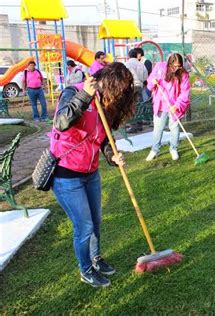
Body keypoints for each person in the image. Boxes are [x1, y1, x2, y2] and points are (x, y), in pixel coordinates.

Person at [50, 62, 135, 287]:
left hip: (90, 172)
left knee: (95, 222)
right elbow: (61, 123)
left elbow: (103, 137)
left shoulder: (103, 104)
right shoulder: (74, 93)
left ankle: (96, 260)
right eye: (117, 90)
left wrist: (111, 156)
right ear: (107, 83)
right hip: (66, 174)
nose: (118, 96)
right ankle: (85, 270)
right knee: (84, 226)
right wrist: (85, 96)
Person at [145, 53, 190, 161]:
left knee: (174, 127)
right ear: (169, 63)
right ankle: (154, 150)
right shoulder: (160, 67)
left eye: (179, 66)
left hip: (174, 105)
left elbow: (185, 92)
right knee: (158, 128)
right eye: (174, 66)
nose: (176, 68)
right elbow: (150, 82)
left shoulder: (183, 74)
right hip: (160, 103)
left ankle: (173, 148)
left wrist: (177, 105)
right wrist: (153, 82)